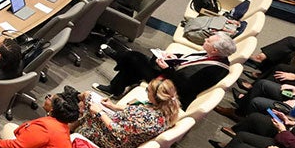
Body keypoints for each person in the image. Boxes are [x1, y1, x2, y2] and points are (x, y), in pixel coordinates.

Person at [96, 32, 235, 103]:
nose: (205, 40)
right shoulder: (212, 54)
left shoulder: (214, 70)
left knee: (134, 58)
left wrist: (166, 69)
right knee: (136, 62)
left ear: (216, 50)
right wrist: (172, 56)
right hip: (173, 74)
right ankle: (117, 84)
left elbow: (185, 87)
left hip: (169, 87)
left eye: (208, 41)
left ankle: (118, 60)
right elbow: (190, 59)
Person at [75, 77, 179, 148]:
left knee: (86, 104)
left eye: (148, 91)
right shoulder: (165, 108)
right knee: (88, 97)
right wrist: (113, 106)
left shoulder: (146, 119)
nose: (146, 92)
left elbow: (119, 132)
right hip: (120, 122)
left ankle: (71, 109)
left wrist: (100, 113)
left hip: (114, 140)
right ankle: (74, 100)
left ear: (157, 97)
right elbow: (133, 111)